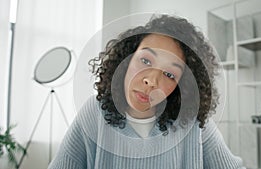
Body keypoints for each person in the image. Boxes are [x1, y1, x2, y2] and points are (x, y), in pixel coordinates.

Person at [48, 14, 245, 169]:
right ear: (126, 60)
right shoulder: (95, 112)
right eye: (145, 61)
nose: (151, 81)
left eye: (169, 74)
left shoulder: (192, 122)